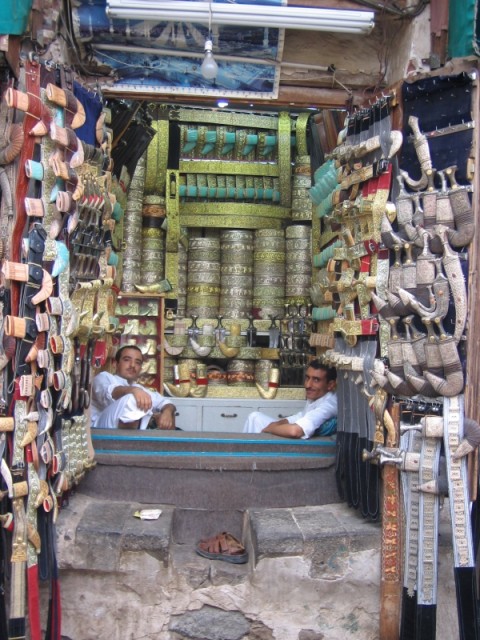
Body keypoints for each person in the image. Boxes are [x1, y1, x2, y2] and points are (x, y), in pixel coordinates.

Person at [243, 359, 337, 439]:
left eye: (316, 380)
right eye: (307, 378)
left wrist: (269, 429)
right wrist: (279, 423)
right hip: (300, 436)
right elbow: (301, 416)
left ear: (330, 385)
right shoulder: (317, 396)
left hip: (306, 447)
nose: (308, 385)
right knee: (255, 417)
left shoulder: (329, 405)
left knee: (259, 423)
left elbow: (295, 431)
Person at [91, 344, 176, 430]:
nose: (132, 365)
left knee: (169, 411)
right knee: (132, 398)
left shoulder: (137, 388)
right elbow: (109, 392)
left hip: (127, 431)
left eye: (137, 362)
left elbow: (165, 401)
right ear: (115, 364)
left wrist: (167, 412)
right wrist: (132, 391)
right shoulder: (104, 377)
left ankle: (149, 424)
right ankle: (150, 422)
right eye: (127, 360)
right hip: (98, 427)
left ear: (140, 369)